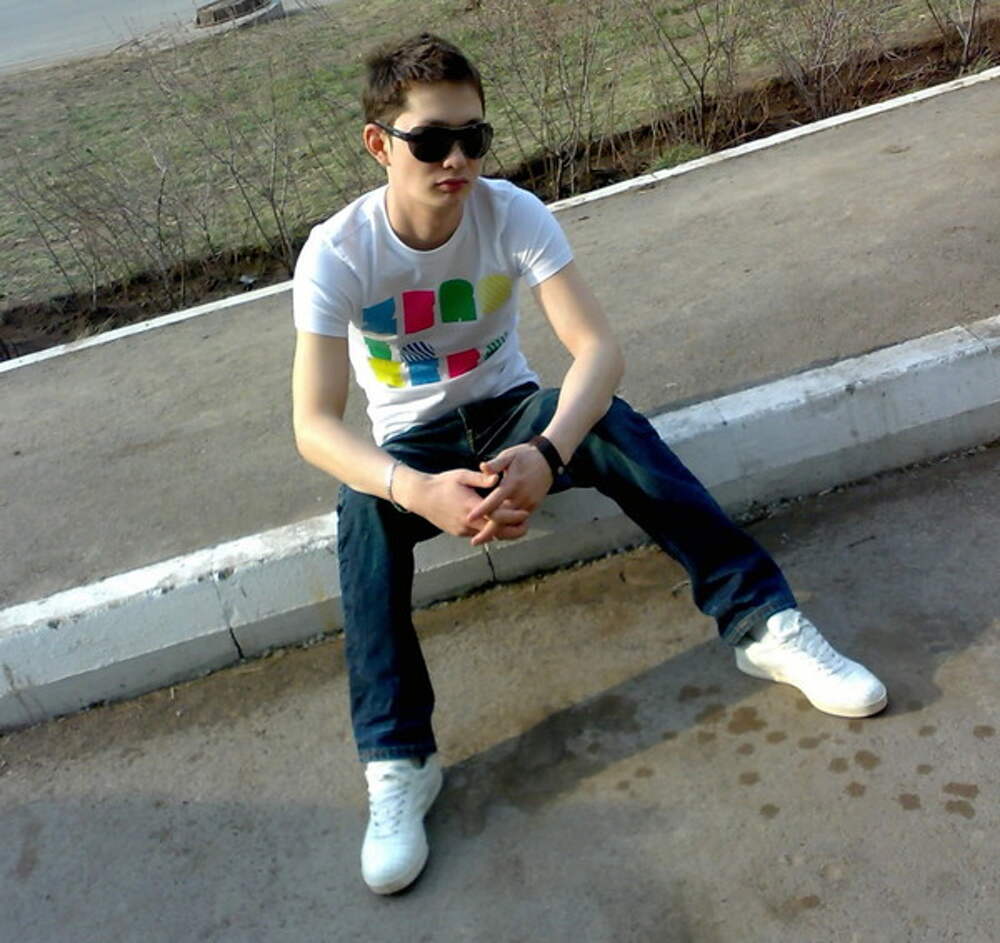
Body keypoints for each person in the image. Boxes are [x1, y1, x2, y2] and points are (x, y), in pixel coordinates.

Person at [290, 32, 887, 896]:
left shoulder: (511, 213)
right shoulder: (340, 252)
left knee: (611, 420)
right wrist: (413, 487)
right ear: (380, 144)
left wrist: (546, 450)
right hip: (415, 442)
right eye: (432, 141)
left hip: (513, 412)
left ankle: (764, 625)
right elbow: (313, 425)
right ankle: (399, 758)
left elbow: (598, 351)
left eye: (473, 137)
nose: (457, 160)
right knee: (362, 512)